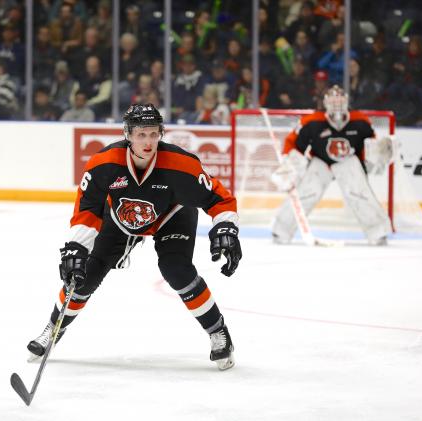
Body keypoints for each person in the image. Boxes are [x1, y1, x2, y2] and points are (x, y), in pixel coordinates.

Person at [26, 104, 242, 370]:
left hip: (171, 215)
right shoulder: (103, 164)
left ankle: (218, 332)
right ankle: (53, 328)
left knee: (177, 270)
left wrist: (226, 228)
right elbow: (87, 209)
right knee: (86, 273)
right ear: (127, 134)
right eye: (141, 134)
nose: (148, 141)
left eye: (153, 134)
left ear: (161, 133)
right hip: (119, 218)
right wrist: (76, 248)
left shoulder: (181, 165)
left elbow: (220, 198)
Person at [270, 86, 392, 246]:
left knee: (359, 193)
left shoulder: (360, 121)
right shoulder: (312, 121)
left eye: (340, 99)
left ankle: (378, 232)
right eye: (332, 100)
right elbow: (293, 143)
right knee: (307, 193)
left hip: (348, 162)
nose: (336, 104)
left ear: (347, 101)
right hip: (321, 162)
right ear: (325, 102)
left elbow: (370, 148)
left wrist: (379, 155)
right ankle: (281, 230)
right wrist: (290, 164)